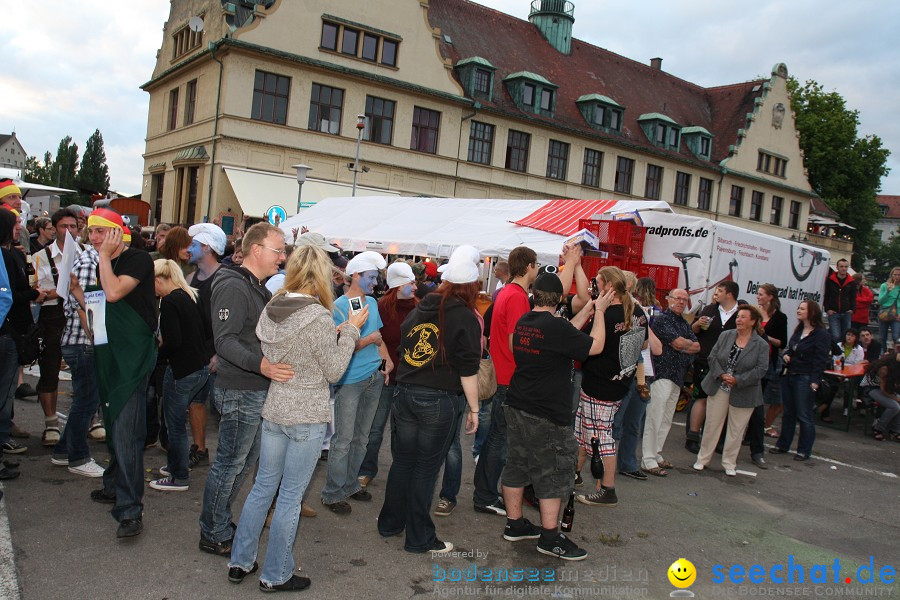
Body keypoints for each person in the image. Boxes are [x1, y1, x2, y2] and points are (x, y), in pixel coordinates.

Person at [227, 245, 365, 592]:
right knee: (289, 497)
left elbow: (278, 348)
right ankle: (275, 574)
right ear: (321, 275)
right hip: (305, 414)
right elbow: (334, 370)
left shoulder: (273, 306)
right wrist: (349, 330)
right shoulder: (318, 316)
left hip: (276, 407)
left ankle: (240, 560)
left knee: (262, 488)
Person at [377, 250, 481, 554]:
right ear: (472, 286)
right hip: (437, 399)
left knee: (404, 462)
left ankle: (390, 522)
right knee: (425, 468)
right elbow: (468, 369)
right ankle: (419, 536)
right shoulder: (464, 316)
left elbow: (405, 348)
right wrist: (474, 409)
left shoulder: (421, 308)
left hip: (406, 393)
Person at [199, 223, 293, 555]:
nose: (282, 259)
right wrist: (262, 365)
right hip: (240, 388)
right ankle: (212, 530)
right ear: (257, 250)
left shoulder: (255, 287)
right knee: (230, 463)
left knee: (241, 461)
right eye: (278, 251)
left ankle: (218, 520)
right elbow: (224, 341)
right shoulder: (234, 286)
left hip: (251, 388)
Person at [500, 273, 609, 561]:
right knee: (552, 472)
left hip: (518, 405)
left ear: (533, 295)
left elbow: (565, 333)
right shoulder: (554, 327)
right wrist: (598, 311)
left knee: (517, 465)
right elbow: (594, 346)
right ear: (561, 299)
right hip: (546, 413)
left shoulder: (527, 321)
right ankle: (549, 538)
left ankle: (514, 524)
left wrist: (589, 307)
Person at [76, 208, 157, 538]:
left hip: (132, 359)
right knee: (113, 422)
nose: (93, 238)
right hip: (109, 354)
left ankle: (129, 510)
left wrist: (104, 258)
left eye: (100, 232)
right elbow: (98, 310)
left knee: (126, 430)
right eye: (90, 232)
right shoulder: (103, 263)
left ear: (116, 232)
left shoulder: (138, 258)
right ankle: (113, 485)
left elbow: (113, 293)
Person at [321, 251, 390, 515]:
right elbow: (341, 346)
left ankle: (350, 485)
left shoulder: (371, 302)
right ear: (356, 275)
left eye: (376, 277)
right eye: (371, 277)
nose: (375, 282)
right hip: (350, 379)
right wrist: (370, 341)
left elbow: (379, 335)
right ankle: (332, 492)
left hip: (372, 376)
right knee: (343, 438)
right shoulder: (337, 307)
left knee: (361, 438)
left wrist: (387, 361)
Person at [473, 246, 538, 516]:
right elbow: (516, 342)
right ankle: (485, 495)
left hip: (502, 374)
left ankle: (485, 493)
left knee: (496, 439)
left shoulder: (507, 292)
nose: (537, 270)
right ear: (530, 266)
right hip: (509, 377)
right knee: (500, 441)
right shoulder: (517, 296)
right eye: (536, 265)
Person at [574, 267, 647, 506]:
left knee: (600, 438)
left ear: (608, 288)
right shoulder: (637, 311)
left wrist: (597, 312)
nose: (593, 288)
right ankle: (574, 475)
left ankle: (607, 488)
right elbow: (643, 344)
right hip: (619, 383)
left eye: (597, 283)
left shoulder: (606, 313)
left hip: (600, 385)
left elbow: (587, 344)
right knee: (585, 431)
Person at [148, 259, 212, 492]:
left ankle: (178, 476)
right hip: (200, 368)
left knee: (174, 425)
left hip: (182, 370)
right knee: (178, 423)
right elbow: (207, 331)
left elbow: (173, 341)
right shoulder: (191, 295)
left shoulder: (170, 301)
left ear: (159, 279)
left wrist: (156, 352)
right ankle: (177, 464)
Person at [358, 261, 418, 491]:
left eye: (414, 282)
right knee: (375, 428)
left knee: (403, 432)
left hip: (409, 380)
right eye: (409, 283)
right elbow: (374, 341)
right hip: (385, 378)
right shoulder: (381, 307)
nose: (414, 287)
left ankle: (400, 474)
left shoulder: (419, 309)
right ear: (397, 285)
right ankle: (366, 469)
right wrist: (384, 366)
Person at [50, 237, 105, 478]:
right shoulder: (89, 261)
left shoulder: (95, 260)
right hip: (83, 343)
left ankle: (63, 450)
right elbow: (85, 307)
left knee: (84, 400)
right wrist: (95, 340)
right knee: (86, 401)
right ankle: (78, 457)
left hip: (83, 342)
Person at [693, 305, 769, 476]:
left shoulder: (761, 344)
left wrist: (738, 380)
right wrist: (721, 374)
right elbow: (712, 357)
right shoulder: (726, 335)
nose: (739, 320)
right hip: (719, 386)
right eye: (738, 317)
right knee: (712, 424)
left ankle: (729, 463)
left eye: (743, 317)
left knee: (737, 429)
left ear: (753, 321)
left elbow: (761, 369)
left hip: (744, 391)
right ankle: (702, 458)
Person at [31, 208, 81, 447]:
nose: (69, 231)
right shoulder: (42, 256)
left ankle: (89, 418)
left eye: (73, 226)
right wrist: (63, 289)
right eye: (64, 227)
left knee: (86, 368)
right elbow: (38, 293)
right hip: (53, 315)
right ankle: (51, 422)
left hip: (81, 315)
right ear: (54, 229)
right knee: (50, 367)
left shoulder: (86, 253)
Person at [641, 289, 700, 476]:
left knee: (666, 418)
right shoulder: (662, 320)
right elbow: (679, 343)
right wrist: (684, 345)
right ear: (669, 300)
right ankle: (648, 459)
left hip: (678, 376)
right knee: (655, 416)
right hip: (662, 374)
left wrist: (684, 345)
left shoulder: (684, 323)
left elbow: (696, 346)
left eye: (685, 299)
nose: (681, 302)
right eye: (678, 298)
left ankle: (656, 453)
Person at [184, 223, 228, 468]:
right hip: (198, 354)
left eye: (193, 245)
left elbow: (227, 320)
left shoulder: (224, 278)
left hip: (218, 354)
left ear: (207, 248)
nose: (188, 249)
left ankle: (227, 457)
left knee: (222, 408)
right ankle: (199, 449)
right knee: (196, 401)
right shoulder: (190, 278)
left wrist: (218, 353)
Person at [0, 206, 40, 457]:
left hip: (9, 331)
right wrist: (36, 293)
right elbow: (8, 296)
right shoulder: (5, 256)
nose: (20, 227)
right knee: (4, 391)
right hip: (7, 332)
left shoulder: (12, 253)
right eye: (14, 223)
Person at [771, 300, 831, 461]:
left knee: (804, 414)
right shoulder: (798, 330)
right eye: (798, 308)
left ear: (811, 312)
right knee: (788, 412)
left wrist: (815, 380)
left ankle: (804, 450)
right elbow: (790, 348)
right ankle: (783, 444)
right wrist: (786, 355)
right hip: (790, 374)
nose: (798, 310)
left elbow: (820, 359)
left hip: (805, 376)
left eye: (802, 308)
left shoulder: (821, 334)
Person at [615, 277, 663, 480]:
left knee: (633, 423)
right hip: (624, 373)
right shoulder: (617, 311)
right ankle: (601, 464)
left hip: (643, 375)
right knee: (615, 424)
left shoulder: (640, 311)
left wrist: (642, 317)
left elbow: (657, 349)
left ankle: (627, 463)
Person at [687, 281, 740, 453]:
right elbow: (693, 330)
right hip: (704, 361)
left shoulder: (740, 314)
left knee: (723, 402)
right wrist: (697, 324)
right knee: (700, 398)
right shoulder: (710, 310)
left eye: (720, 291)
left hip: (729, 366)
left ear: (730, 294)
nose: (716, 294)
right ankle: (692, 437)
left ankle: (717, 440)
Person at [752, 283, 788, 463]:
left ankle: (754, 440)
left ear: (770, 297)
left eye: (761, 294)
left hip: (767, 362)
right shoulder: (755, 313)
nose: (758, 297)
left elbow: (782, 343)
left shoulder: (780, 317)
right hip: (751, 360)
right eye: (757, 294)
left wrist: (765, 335)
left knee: (759, 401)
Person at [859, 353, 900, 442]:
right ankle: (878, 428)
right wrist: (896, 398)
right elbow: (883, 390)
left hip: (884, 388)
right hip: (870, 388)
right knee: (894, 406)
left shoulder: (896, 367)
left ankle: (895, 430)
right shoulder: (885, 368)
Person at [824, 259, 856, 342]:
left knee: (847, 336)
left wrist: (852, 309)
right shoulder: (830, 280)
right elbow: (826, 295)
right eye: (841, 266)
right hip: (833, 312)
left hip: (846, 312)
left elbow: (853, 297)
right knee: (836, 335)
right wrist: (827, 309)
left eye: (846, 266)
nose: (844, 268)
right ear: (837, 267)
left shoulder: (851, 282)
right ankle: (836, 353)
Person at [877, 267, 900, 350]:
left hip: (896, 314)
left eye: (899, 275)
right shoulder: (884, 285)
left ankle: (896, 354)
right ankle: (882, 353)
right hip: (885, 312)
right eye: (895, 275)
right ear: (891, 275)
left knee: (896, 336)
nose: (897, 277)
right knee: (882, 337)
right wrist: (888, 291)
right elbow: (880, 301)